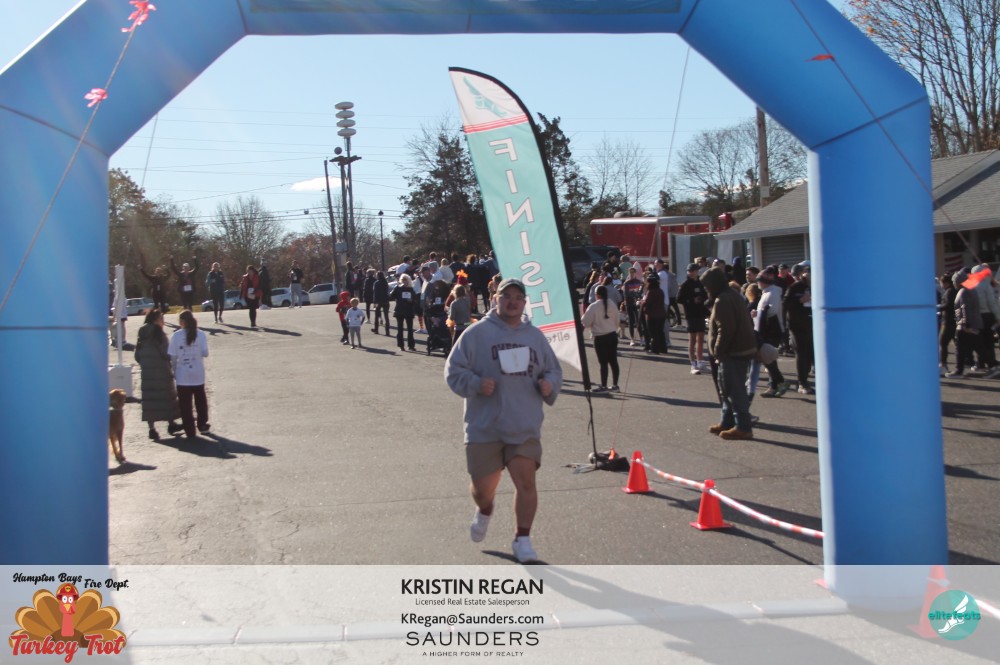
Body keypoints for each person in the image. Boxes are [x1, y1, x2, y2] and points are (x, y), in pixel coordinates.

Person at [444, 278, 563, 564]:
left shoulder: (534, 336)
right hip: (485, 426)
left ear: (524, 303)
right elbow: (453, 370)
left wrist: (549, 384)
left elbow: (553, 370)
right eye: (506, 296)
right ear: (495, 298)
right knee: (483, 490)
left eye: (518, 298)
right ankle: (485, 509)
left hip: (523, 424)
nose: (512, 302)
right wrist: (475, 383)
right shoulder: (476, 334)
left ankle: (522, 539)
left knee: (527, 482)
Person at [702, 266, 757, 440]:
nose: (706, 289)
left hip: (733, 351)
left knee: (733, 390)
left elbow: (725, 330)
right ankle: (727, 421)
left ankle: (743, 427)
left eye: (707, 286)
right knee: (726, 389)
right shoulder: (732, 295)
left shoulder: (723, 300)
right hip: (739, 349)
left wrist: (718, 351)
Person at [134, 308, 182, 441]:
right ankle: (171, 423)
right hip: (161, 371)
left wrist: (145, 363)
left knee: (150, 400)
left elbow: (137, 354)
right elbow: (167, 353)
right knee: (167, 397)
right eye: (161, 318)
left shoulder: (142, 332)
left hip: (147, 372)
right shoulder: (159, 334)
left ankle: (152, 429)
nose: (163, 321)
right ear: (156, 320)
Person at [168, 309, 210, 438]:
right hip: (198, 373)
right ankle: (202, 424)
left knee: (185, 405)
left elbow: (173, 357)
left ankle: (189, 429)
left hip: (183, 374)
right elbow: (205, 353)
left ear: (181, 322)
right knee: (200, 401)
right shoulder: (201, 334)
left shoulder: (176, 336)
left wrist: (175, 371)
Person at [751, 269, 787, 398]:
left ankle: (778, 383)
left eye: (759, 281)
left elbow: (773, 311)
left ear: (764, 282)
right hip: (764, 329)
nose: (758, 283)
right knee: (767, 358)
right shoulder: (766, 292)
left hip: (772, 330)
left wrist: (759, 313)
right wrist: (757, 314)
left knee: (768, 357)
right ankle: (776, 385)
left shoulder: (774, 292)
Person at [581, 285, 621, 393]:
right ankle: (615, 385)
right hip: (612, 335)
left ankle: (604, 385)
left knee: (603, 363)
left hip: (600, 337)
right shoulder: (612, 304)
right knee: (613, 361)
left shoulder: (594, 306)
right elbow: (617, 320)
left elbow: (585, 322)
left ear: (597, 295)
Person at [783, 262, 814, 393]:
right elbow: (785, 304)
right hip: (797, 325)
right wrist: (800, 300)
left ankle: (809, 380)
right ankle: (802, 383)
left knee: (812, 353)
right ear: (803, 274)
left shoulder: (818, 286)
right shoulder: (795, 287)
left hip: (813, 325)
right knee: (802, 353)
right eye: (808, 273)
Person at [676, 262, 709, 374]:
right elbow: (679, 299)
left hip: (700, 313)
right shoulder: (685, 284)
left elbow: (705, 296)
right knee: (692, 340)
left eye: (694, 271)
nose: (692, 273)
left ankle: (700, 362)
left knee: (701, 339)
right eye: (690, 271)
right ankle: (693, 365)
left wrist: (702, 301)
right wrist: (691, 300)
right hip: (691, 314)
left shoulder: (700, 283)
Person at [639, 275, 668, 354]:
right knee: (660, 332)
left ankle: (655, 349)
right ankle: (663, 348)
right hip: (661, 314)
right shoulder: (660, 290)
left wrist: (641, 302)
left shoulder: (651, 291)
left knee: (653, 333)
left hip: (652, 315)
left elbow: (647, 302)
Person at [389, 273, 417, 351]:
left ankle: (411, 345)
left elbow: (415, 300)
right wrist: (396, 290)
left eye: (406, 280)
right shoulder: (398, 288)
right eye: (403, 280)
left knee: (410, 329)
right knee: (400, 329)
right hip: (400, 310)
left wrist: (412, 300)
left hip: (409, 311)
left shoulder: (411, 289)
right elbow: (391, 296)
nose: (404, 281)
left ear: (408, 281)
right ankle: (401, 345)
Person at [938, 272, 957, 376]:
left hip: (948, 321)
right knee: (958, 345)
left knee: (942, 343)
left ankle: (943, 365)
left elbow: (948, 305)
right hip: (952, 321)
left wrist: (938, 307)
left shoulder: (949, 292)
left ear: (945, 283)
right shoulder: (953, 291)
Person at [621, 266, 644, 346]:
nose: (631, 274)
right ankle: (632, 339)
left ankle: (641, 338)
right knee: (631, 321)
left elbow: (640, 293)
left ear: (635, 273)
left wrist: (634, 293)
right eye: (630, 272)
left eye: (633, 272)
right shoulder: (626, 283)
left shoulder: (639, 282)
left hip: (637, 303)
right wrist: (635, 293)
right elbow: (626, 294)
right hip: (629, 303)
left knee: (638, 320)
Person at [372, 271, 391, 336]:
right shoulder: (385, 282)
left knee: (377, 315)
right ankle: (387, 331)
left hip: (378, 301)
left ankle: (376, 329)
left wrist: (374, 302)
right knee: (386, 316)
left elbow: (375, 293)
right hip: (385, 300)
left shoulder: (376, 283)